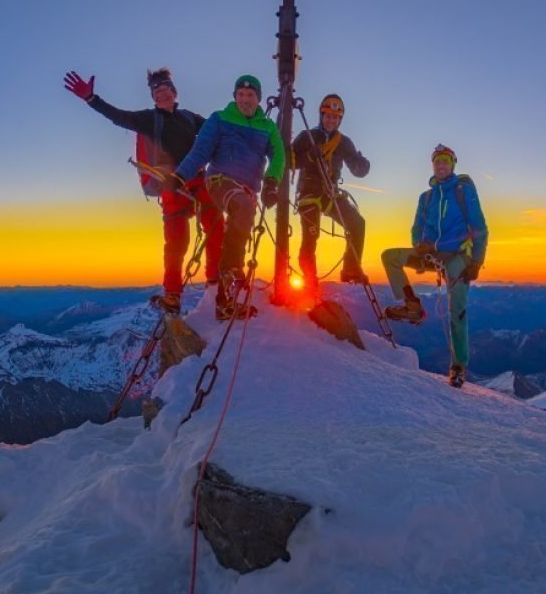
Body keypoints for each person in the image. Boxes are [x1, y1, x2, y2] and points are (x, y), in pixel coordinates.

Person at [63, 68, 224, 313]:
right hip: (171, 184)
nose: (161, 94)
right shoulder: (150, 119)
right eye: (156, 91)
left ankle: (216, 283)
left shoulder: (189, 118)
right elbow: (119, 117)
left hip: (198, 180)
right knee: (176, 242)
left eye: (164, 89)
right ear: (153, 97)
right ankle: (172, 294)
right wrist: (91, 99)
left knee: (216, 228)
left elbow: (215, 130)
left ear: (174, 91)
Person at [175, 75, 285, 319]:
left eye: (251, 95)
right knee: (242, 206)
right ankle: (232, 272)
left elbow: (278, 155)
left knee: (242, 220)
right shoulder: (219, 119)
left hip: (247, 189)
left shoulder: (267, 126)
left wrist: (271, 182)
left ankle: (227, 296)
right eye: (241, 95)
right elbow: (200, 151)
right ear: (235, 97)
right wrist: (181, 175)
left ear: (258, 98)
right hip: (219, 182)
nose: (245, 100)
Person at [381, 144, 488, 388]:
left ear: (452, 165)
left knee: (456, 309)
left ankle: (458, 367)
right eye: (437, 161)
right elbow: (416, 228)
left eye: (445, 161)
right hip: (430, 254)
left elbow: (480, 228)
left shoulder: (463, 191)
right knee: (390, 256)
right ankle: (412, 306)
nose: (441, 165)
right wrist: (419, 245)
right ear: (433, 166)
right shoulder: (426, 197)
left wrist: (477, 262)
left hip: (457, 256)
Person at [291, 94, 370, 289]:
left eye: (335, 117)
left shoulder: (343, 142)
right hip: (308, 193)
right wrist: (309, 157)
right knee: (311, 234)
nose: (331, 120)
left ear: (340, 120)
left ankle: (351, 269)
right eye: (328, 116)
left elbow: (355, 168)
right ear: (321, 115)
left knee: (357, 223)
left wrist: (362, 166)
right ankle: (309, 278)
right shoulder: (306, 137)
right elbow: (289, 161)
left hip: (330, 193)